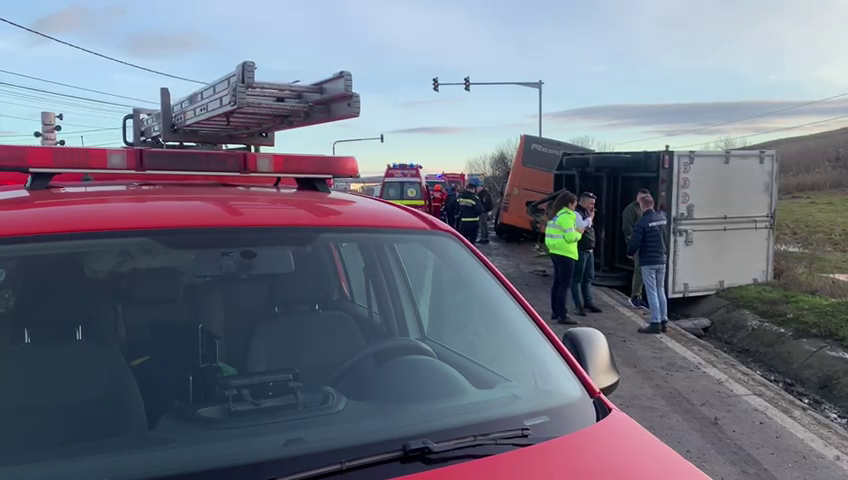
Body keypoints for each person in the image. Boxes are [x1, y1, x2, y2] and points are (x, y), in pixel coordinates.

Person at [626, 194, 669, 334]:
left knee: (651, 292)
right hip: (661, 259)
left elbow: (635, 241)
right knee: (660, 290)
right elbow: (666, 238)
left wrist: (630, 252)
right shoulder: (662, 219)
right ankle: (664, 320)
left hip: (648, 261)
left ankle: (655, 322)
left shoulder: (642, 222)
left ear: (642, 205)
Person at [545, 190, 584, 325]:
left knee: (557, 282)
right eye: (574, 205)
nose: (574, 208)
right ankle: (563, 314)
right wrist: (579, 233)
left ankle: (555, 311)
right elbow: (570, 237)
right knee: (564, 284)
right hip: (566, 254)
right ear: (569, 204)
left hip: (555, 252)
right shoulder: (566, 217)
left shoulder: (555, 216)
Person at [572, 192, 602, 316]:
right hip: (580, 250)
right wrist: (591, 218)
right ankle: (578, 306)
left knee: (588, 277)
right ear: (583, 201)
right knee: (577, 278)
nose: (592, 206)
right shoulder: (577, 213)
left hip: (589, 250)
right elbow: (581, 226)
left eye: (593, 204)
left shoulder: (586, 213)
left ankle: (588, 302)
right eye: (591, 203)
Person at [622, 188, 651, 308]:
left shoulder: (646, 209)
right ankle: (635, 296)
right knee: (639, 270)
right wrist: (631, 245)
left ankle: (640, 295)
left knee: (643, 271)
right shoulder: (631, 210)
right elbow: (627, 228)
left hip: (646, 245)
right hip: (637, 244)